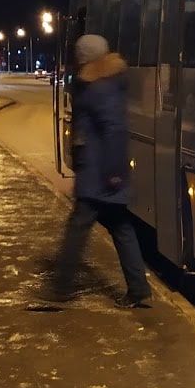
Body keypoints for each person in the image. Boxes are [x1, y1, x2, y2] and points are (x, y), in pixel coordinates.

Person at [58, 33, 152, 309]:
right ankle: (138, 289)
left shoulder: (99, 87)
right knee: (121, 227)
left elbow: (113, 130)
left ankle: (60, 288)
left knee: (77, 229)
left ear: (86, 57)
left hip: (100, 174)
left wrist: (112, 172)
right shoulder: (102, 83)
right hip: (101, 171)